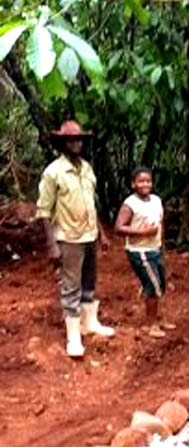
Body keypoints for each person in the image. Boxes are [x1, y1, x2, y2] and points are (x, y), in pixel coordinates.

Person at [36, 120, 115, 359]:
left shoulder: (87, 169)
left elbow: (91, 203)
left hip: (89, 234)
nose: (76, 143)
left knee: (89, 279)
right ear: (62, 143)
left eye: (78, 139)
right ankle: (73, 336)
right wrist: (52, 244)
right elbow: (44, 210)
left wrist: (101, 232)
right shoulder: (53, 172)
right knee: (71, 285)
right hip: (68, 237)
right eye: (70, 140)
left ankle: (89, 322)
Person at [115, 167, 173, 338]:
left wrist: (162, 247)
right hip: (139, 251)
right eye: (141, 181)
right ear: (133, 184)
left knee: (161, 284)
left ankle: (157, 318)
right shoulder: (130, 204)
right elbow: (119, 227)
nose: (145, 184)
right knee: (153, 285)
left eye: (148, 181)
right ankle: (150, 324)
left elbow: (160, 224)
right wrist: (143, 232)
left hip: (155, 248)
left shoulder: (156, 200)